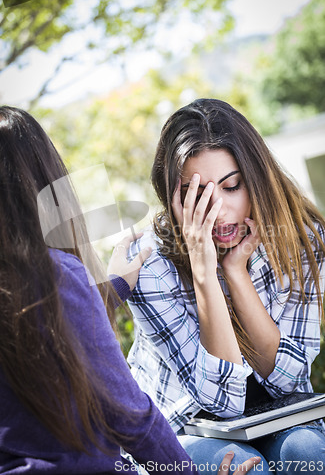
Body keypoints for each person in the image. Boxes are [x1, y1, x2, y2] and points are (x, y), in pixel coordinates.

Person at [0, 106, 261, 475]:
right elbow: (131, 417)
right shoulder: (55, 275)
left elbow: (46, 342)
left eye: (231, 186)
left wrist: (112, 289)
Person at [127, 98, 325, 474]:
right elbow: (222, 402)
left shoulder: (302, 241)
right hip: (186, 426)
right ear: (173, 198)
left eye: (231, 186)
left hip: (277, 418)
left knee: (309, 454)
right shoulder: (150, 266)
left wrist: (237, 274)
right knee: (243, 468)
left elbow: (289, 380)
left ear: (257, 179)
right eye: (197, 196)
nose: (217, 211)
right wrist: (204, 273)